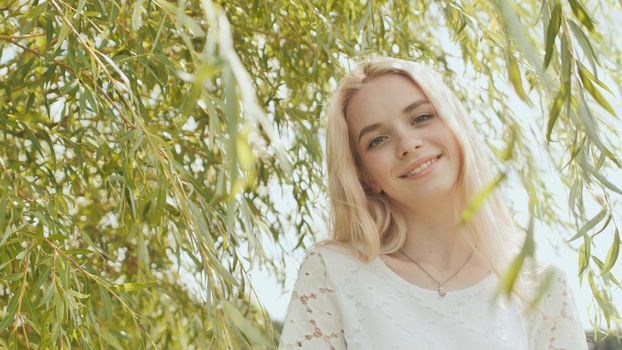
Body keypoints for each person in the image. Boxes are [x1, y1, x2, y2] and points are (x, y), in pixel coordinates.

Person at [277, 57, 587, 350]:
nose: (408, 144)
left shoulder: (540, 287)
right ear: (366, 176)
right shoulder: (333, 272)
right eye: (377, 140)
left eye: (421, 117)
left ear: (456, 127)